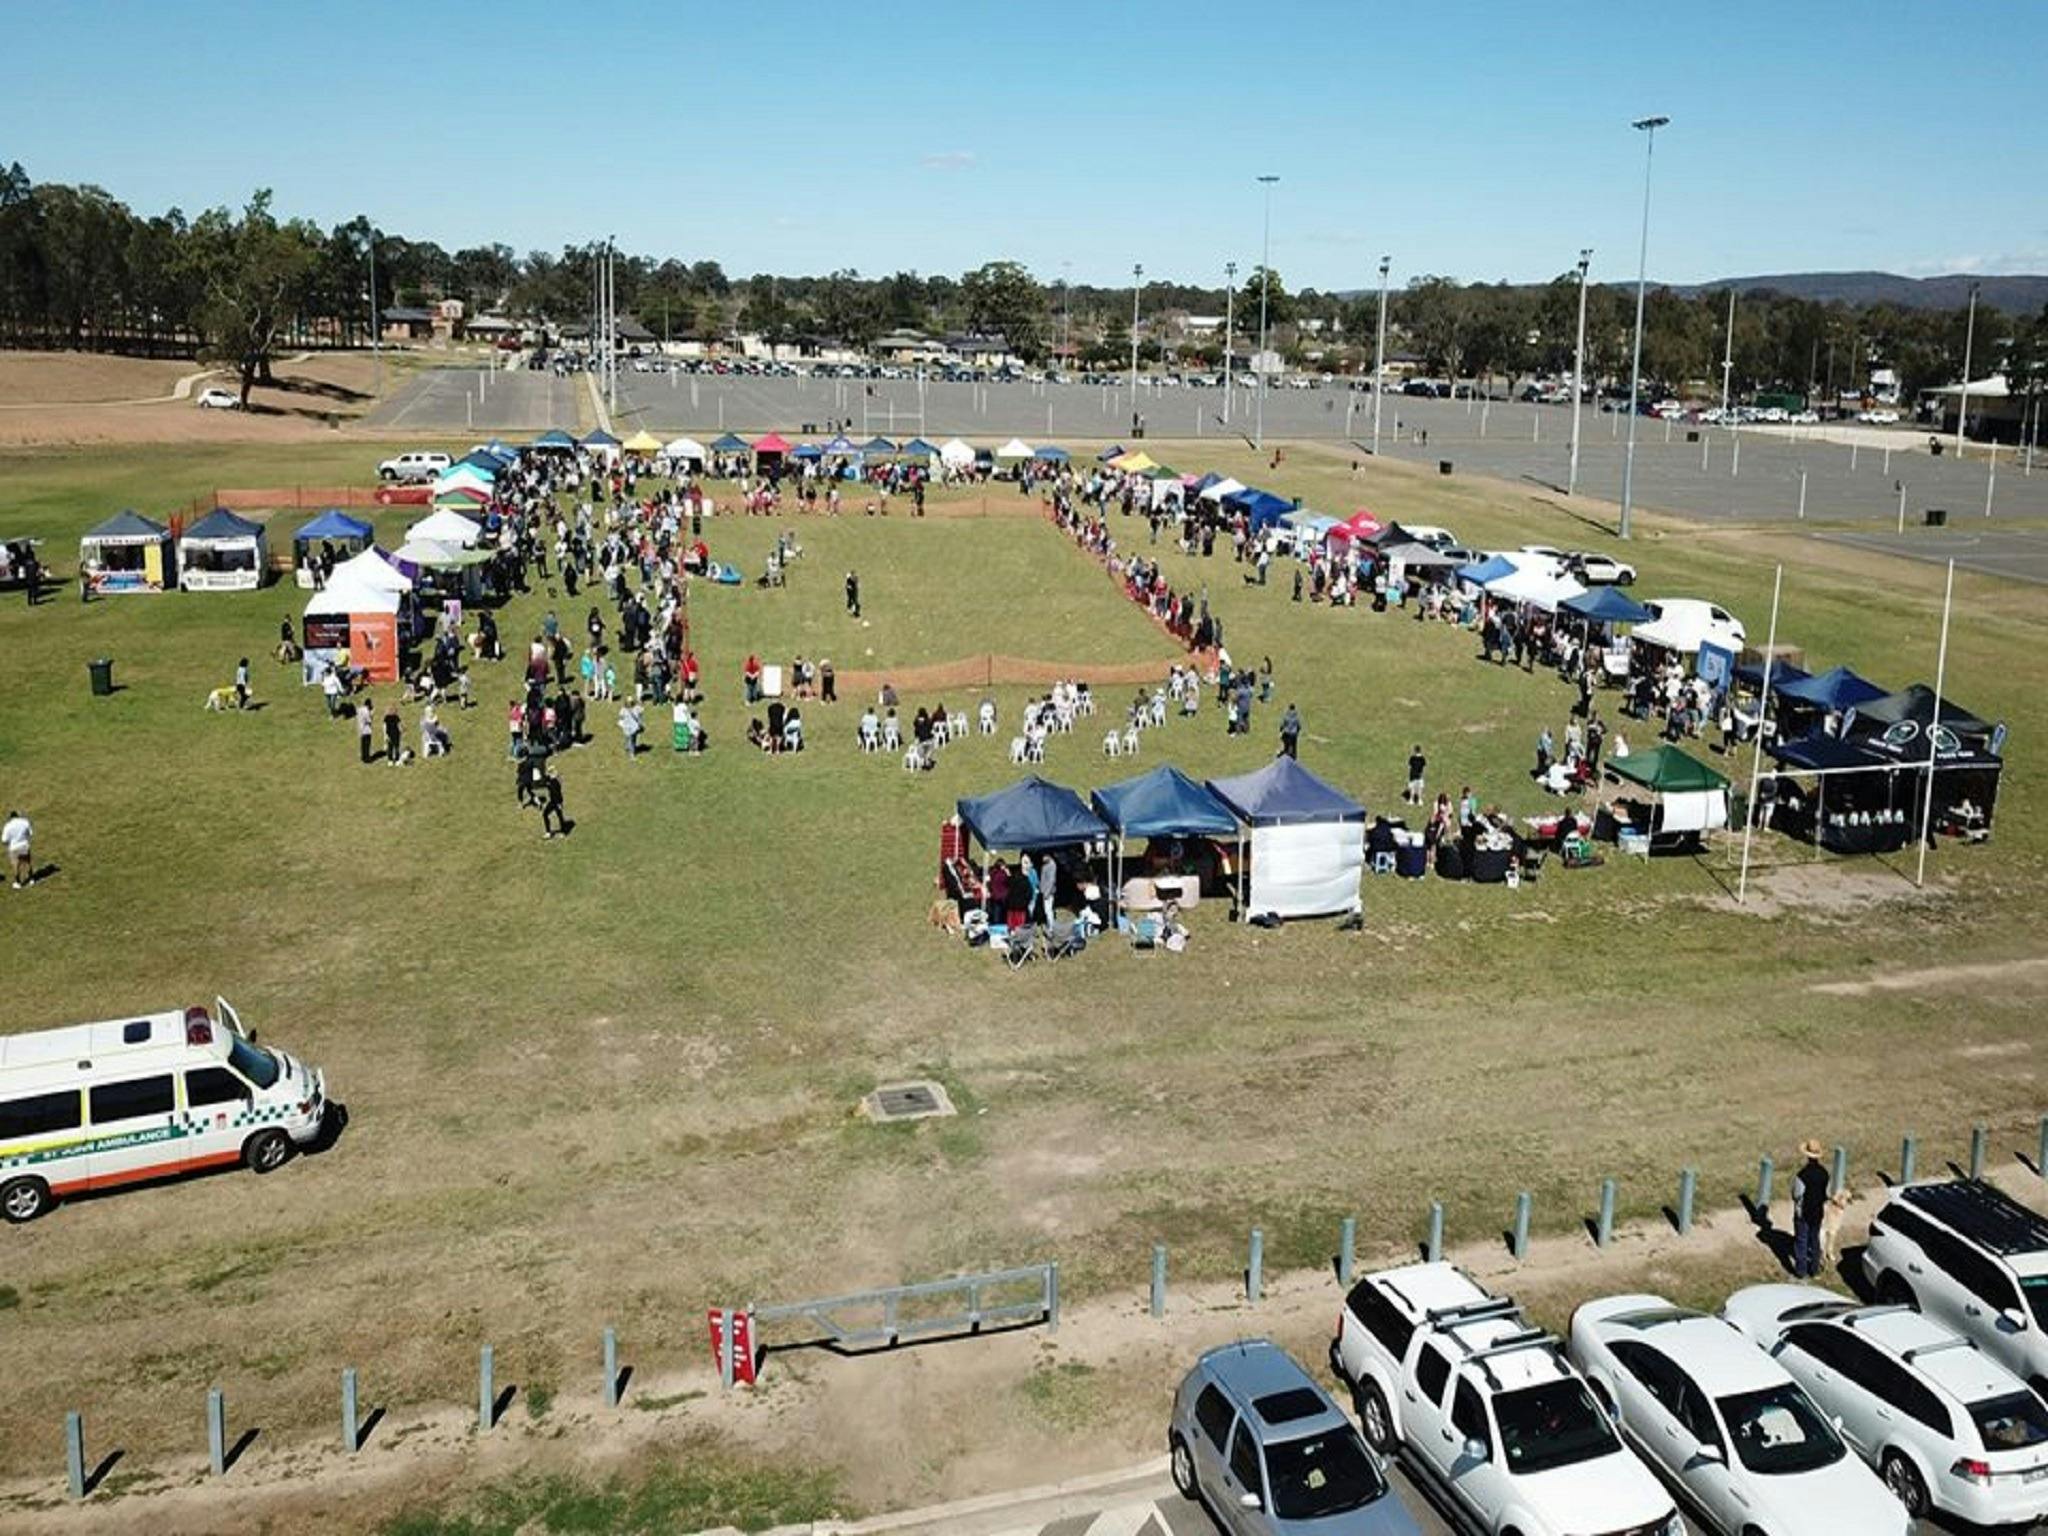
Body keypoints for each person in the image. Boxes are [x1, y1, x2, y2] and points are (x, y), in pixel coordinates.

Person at [1792, 1138, 1831, 1279]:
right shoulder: (1825, 1173)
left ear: (1806, 1155)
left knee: (1801, 1241)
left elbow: (1796, 1194)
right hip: (1818, 1211)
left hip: (1803, 1212)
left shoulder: (1801, 1175)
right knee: (1814, 1240)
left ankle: (1801, 1271)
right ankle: (1814, 1270)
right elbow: (1827, 1193)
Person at [3, 809, 32, 889]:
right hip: (24, 845)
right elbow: (30, 833)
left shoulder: (8, 826)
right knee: (27, 862)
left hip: (14, 847)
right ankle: (31, 879)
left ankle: (18, 882)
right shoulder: (25, 822)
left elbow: (4, 840)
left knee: (15, 865)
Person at [356, 699, 375, 765]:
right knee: (367, 745)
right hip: (366, 730)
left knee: (363, 745)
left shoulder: (359, 709)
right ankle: (367, 759)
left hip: (360, 729)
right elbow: (369, 720)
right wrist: (372, 713)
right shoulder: (367, 711)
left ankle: (363, 756)